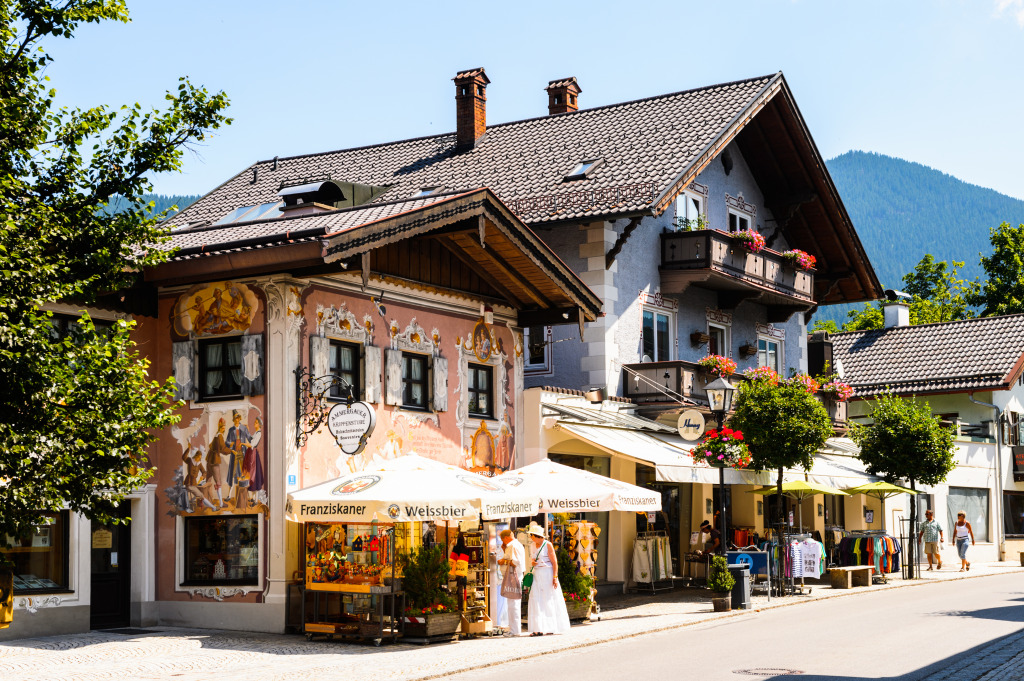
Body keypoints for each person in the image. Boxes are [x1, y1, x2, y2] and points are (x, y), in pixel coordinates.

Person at [525, 523, 570, 636]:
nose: (530, 538)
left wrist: (555, 577)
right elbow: (533, 559)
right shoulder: (532, 545)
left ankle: (551, 627)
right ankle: (537, 628)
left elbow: (554, 562)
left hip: (547, 573)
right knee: (535, 599)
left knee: (548, 599)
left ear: (536, 535)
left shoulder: (547, 544)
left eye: (531, 535)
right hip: (537, 573)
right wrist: (533, 563)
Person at [496, 529, 525, 637]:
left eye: (502, 539)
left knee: (513, 604)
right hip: (512, 576)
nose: (502, 541)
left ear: (506, 537)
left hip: (513, 576)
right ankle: (514, 629)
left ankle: (515, 630)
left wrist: (503, 561)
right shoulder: (515, 545)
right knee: (512, 603)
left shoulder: (513, 545)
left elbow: (516, 562)